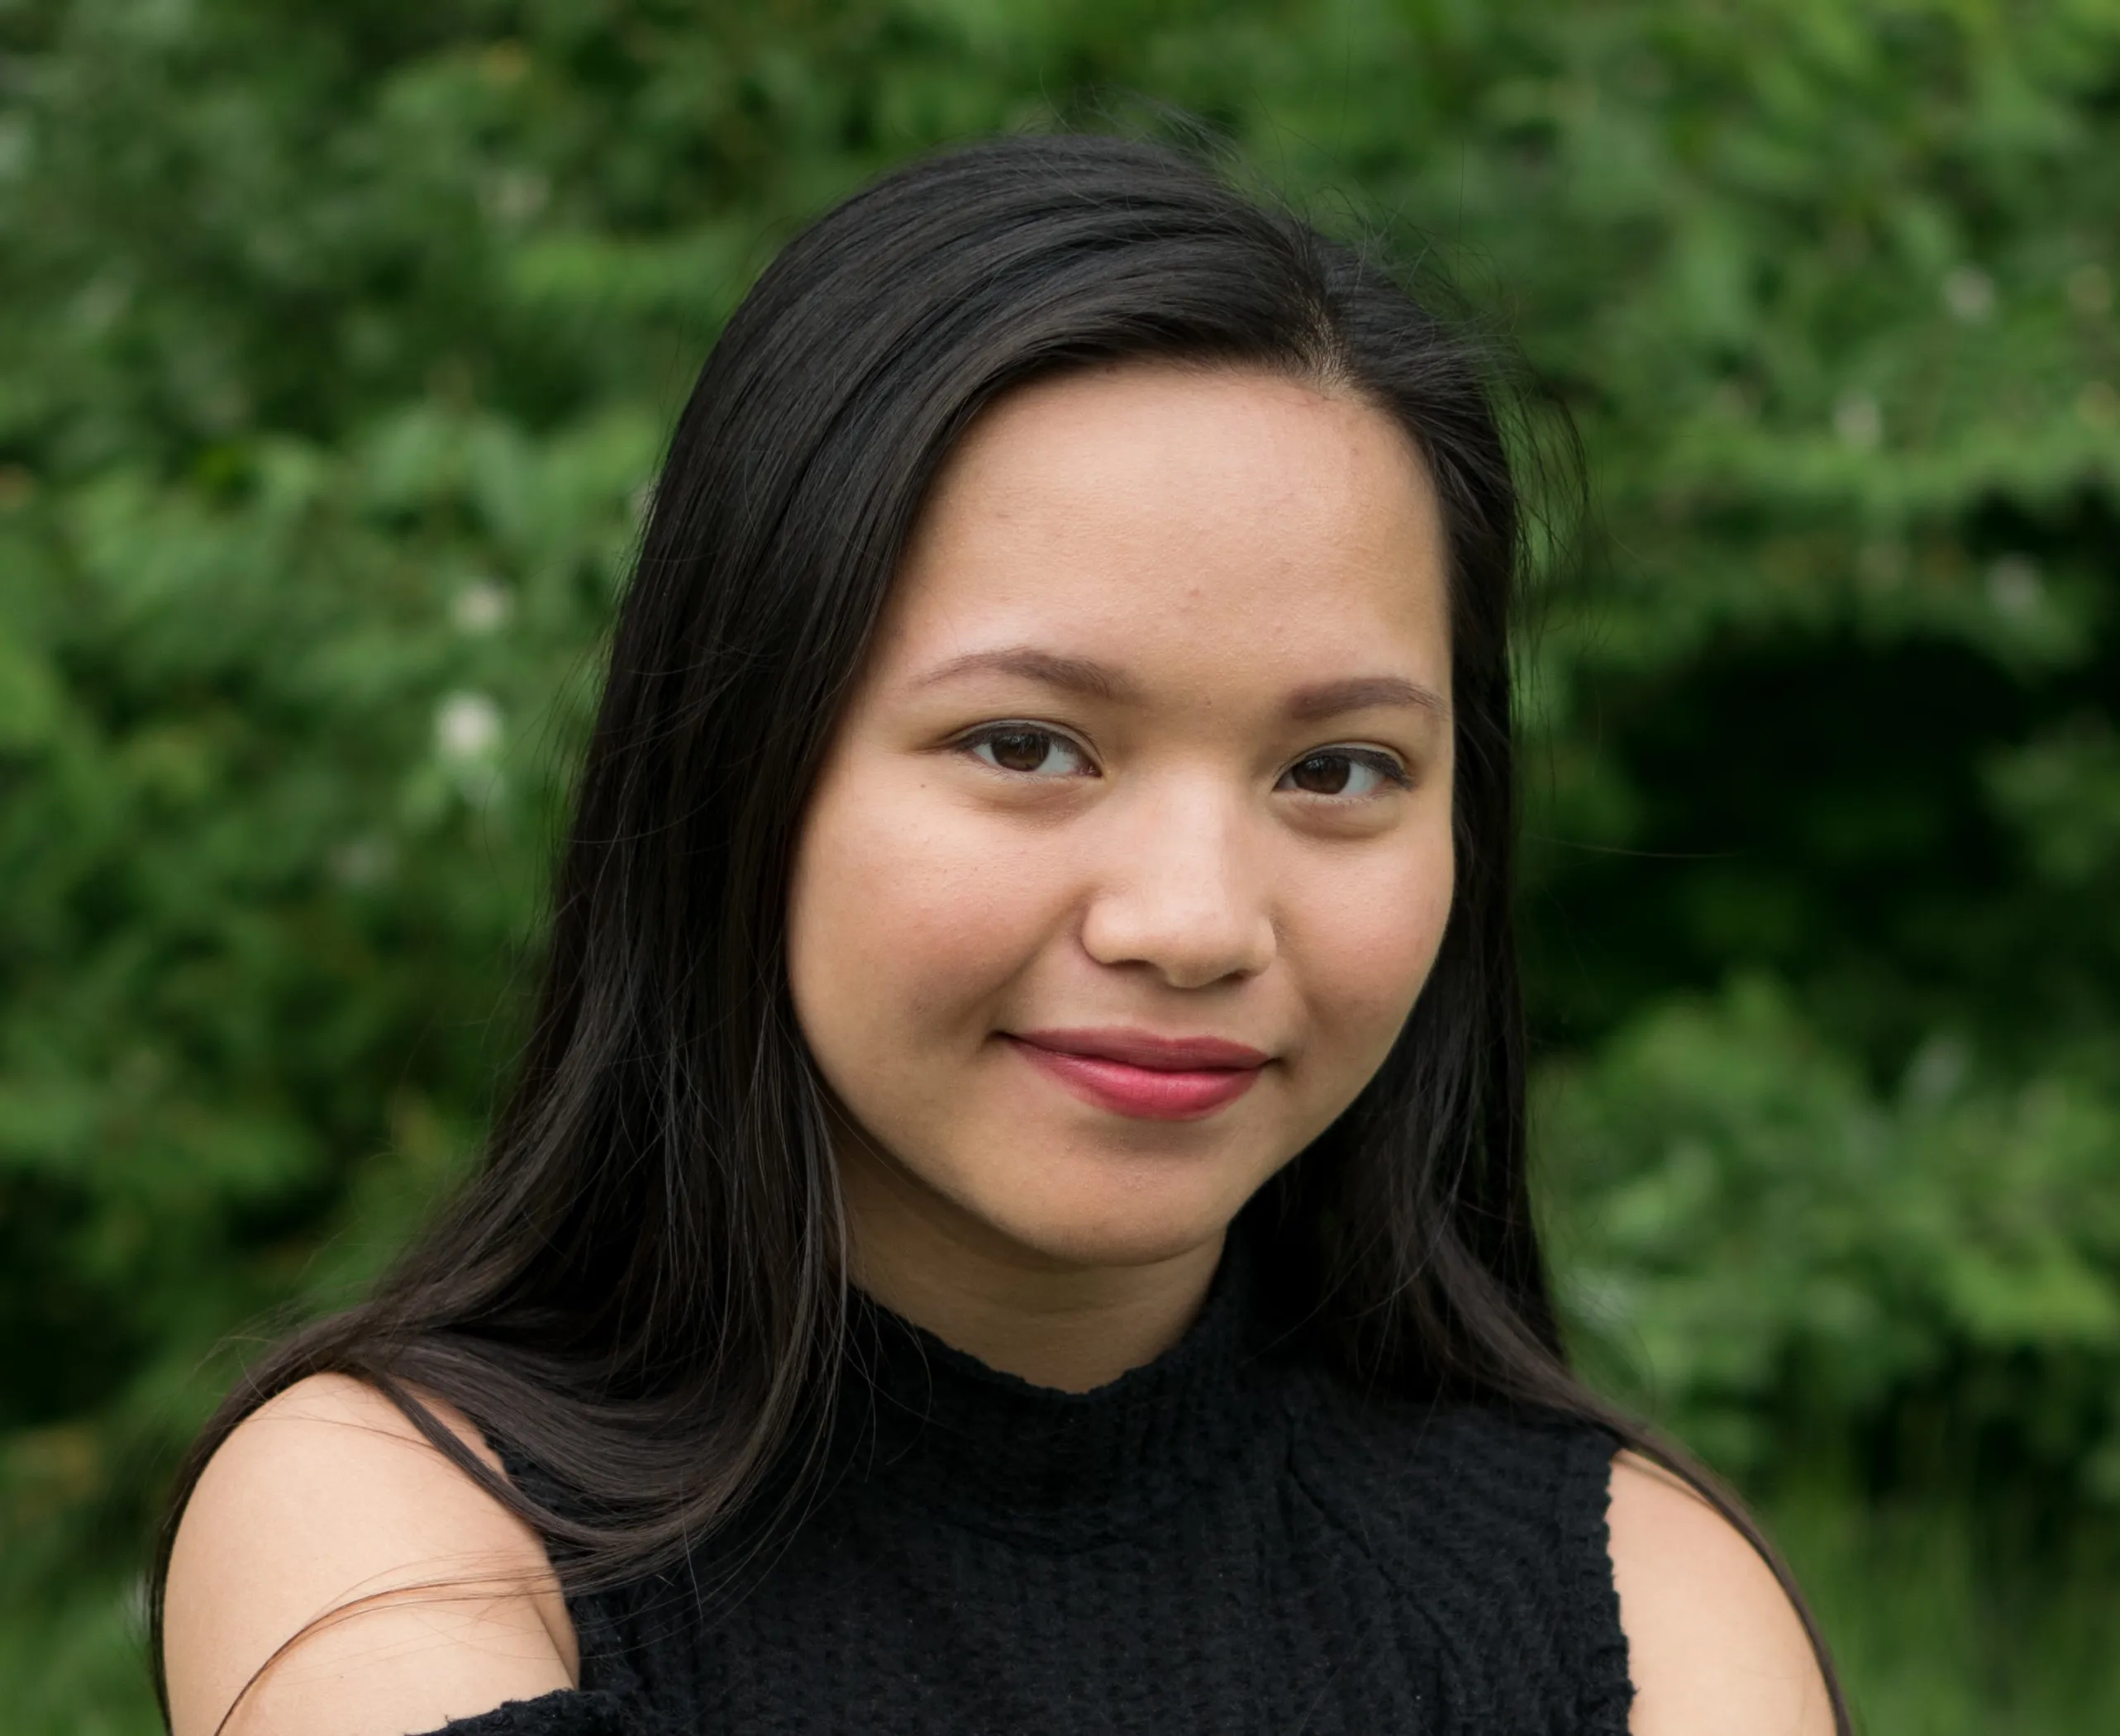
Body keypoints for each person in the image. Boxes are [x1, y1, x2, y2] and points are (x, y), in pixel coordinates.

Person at [155, 132, 1841, 1736]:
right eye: (1026, 746)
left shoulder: (1630, 1602)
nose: (1190, 922)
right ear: (745, 759)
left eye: (1336, 769)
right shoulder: (400, 1528)